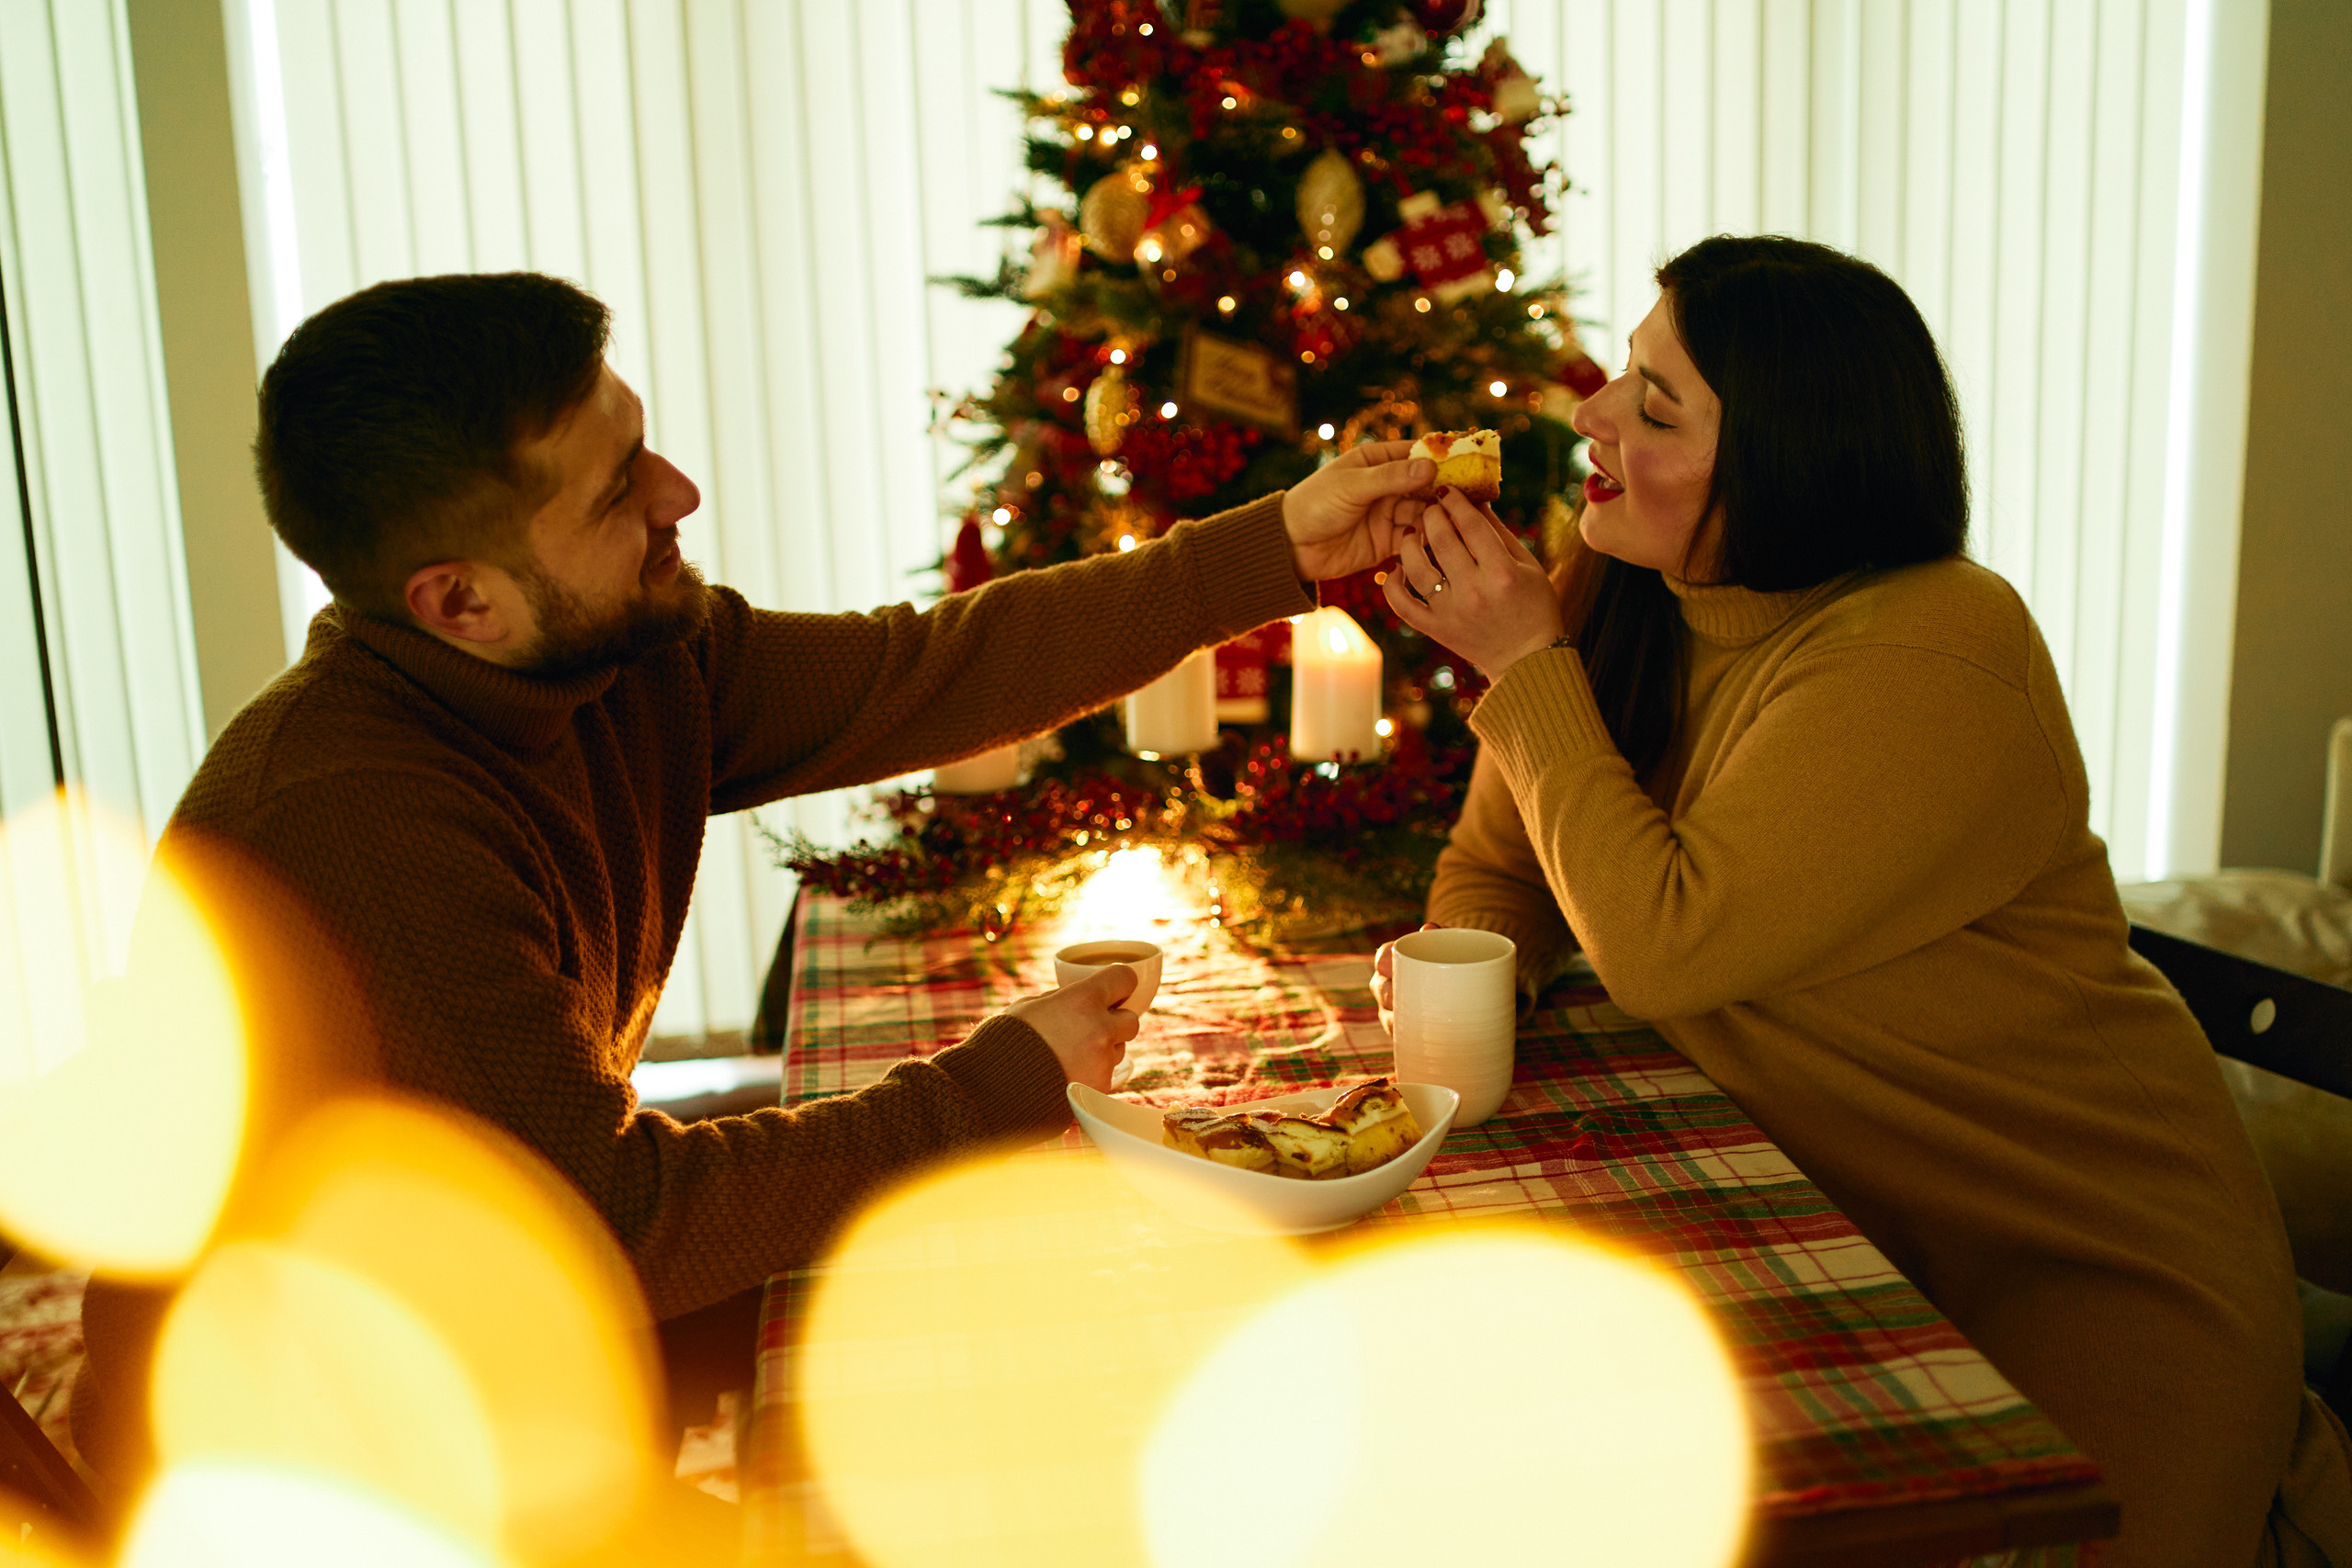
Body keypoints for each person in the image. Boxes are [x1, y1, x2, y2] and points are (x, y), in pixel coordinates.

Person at [72, 271, 1435, 1495]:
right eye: (616, 494)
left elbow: (926, 671)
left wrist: (1278, 550)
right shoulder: (357, 826)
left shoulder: (620, 655)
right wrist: (991, 1083)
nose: (678, 496)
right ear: (458, 603)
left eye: (640, 442)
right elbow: (623, 1225)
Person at [1369, 235, 2352, 1567]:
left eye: (1657, 406)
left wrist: (1525, 661)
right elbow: (1502, 864)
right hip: (1816, 1225)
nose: (1590, 412)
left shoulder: (1934, 647)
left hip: (2071, 1269)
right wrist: (1473, 979)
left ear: (1791, 464)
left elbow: (1666, 943)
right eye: (1625, 376)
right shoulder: (1627, 588)